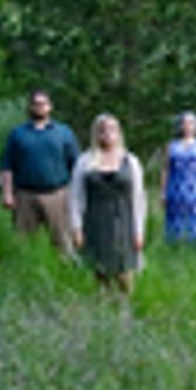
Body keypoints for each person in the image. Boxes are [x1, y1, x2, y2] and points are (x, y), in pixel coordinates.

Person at [68, 114, 147, 295]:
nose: (107, 134)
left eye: (111, 129)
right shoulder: (85, 161)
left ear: (119, 133)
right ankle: (104, 306)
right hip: (95, 220)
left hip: (123, 221)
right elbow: (75, 196)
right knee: (99, 269)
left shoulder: (131, 161)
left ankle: (125, 307)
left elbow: (138, 198)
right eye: (102, 130)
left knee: (124, 270)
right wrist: (76, 228)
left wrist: (139, 231)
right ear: (95, 134)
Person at [1, 89, 80, 258]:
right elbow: (7, 166)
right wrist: (7, 194)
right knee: (23, 242)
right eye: (35, 104)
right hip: (25, 195)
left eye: (43, 104)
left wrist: (76, 195)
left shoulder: (64, 132)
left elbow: (76, 166)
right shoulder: (18, 134)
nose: (39, 107)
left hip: (57, 194)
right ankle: (26, 274)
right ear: (30, 107)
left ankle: (65, 273)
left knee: (62, 241)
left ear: (50, 107)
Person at [161, 111, 196, 245]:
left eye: (191, 123)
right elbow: (166, 169)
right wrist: (163, 192)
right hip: (175, 190)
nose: (187, 126)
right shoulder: (171, 146)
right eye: (184, 123)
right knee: (175, 222)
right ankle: (175, 248)